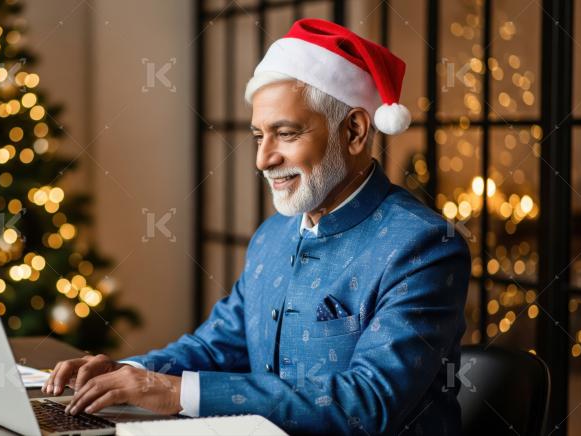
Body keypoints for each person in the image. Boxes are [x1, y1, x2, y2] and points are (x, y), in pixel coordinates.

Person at [43, 18, 471, 435]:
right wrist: (131, 371)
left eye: (284, 134)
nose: (262, 159)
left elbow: (367, 403)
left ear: (354, 131)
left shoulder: (423, 245)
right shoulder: (273, 236)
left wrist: (173, 393)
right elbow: (216, 347)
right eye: (257, 136)